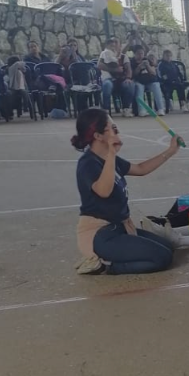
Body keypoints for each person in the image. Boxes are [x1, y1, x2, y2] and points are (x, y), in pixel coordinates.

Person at [72, 108, 176, 275]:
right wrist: (112, 154)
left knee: (168, 247)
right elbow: (103, 191)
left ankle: (114, 256)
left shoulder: (108, 158)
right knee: (162, 258)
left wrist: (170, 151)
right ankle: (107, 265)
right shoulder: (88, 163)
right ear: (98, 136)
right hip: (100, 234)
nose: (116, 131)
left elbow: (140, 169)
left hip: (118, 227)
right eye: (112, 128)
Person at [98, 37, 134, 116]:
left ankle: (126, 109)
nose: (113, 43)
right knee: (107, 85)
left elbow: (128, 69)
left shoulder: (124, 56)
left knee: (129, 84)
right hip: (108, 79)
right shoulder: (104, 54)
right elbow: (100, 65)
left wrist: (128, 78)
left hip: (121, 80)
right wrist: (114, 70)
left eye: (116, 42)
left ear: (120, 45)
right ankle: (106, 110)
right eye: (111, 42)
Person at [131, 46, 165, 116]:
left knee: (156, 86)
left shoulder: (147, 60)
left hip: (151, 81)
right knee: (139, 88)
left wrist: (147, 66)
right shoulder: (132, 62)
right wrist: (139, 67)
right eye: (138, 54)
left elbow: (154, 73)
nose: (140, 55)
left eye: (142, 53)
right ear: (135, 54)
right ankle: (141, 110)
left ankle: (160, 109)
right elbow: (133, 74)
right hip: (139, 81)